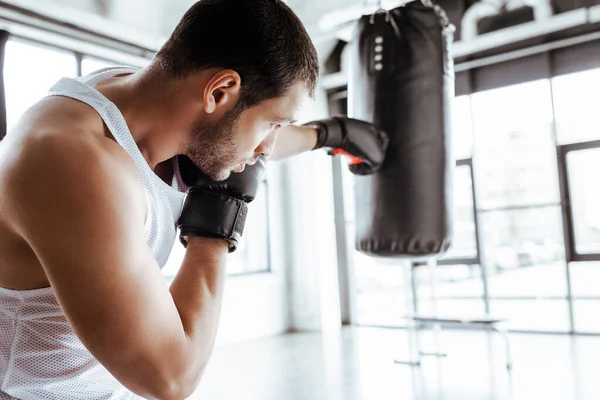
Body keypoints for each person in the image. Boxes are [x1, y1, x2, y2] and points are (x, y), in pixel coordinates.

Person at [0, 0, 387, 399]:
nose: (268, 147)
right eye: (273, 123)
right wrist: (215, 229)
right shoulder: (74, 164)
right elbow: (169, 379)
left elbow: (235, 128)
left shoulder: (147, 103)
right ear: (219, 90)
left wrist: (329, 134)